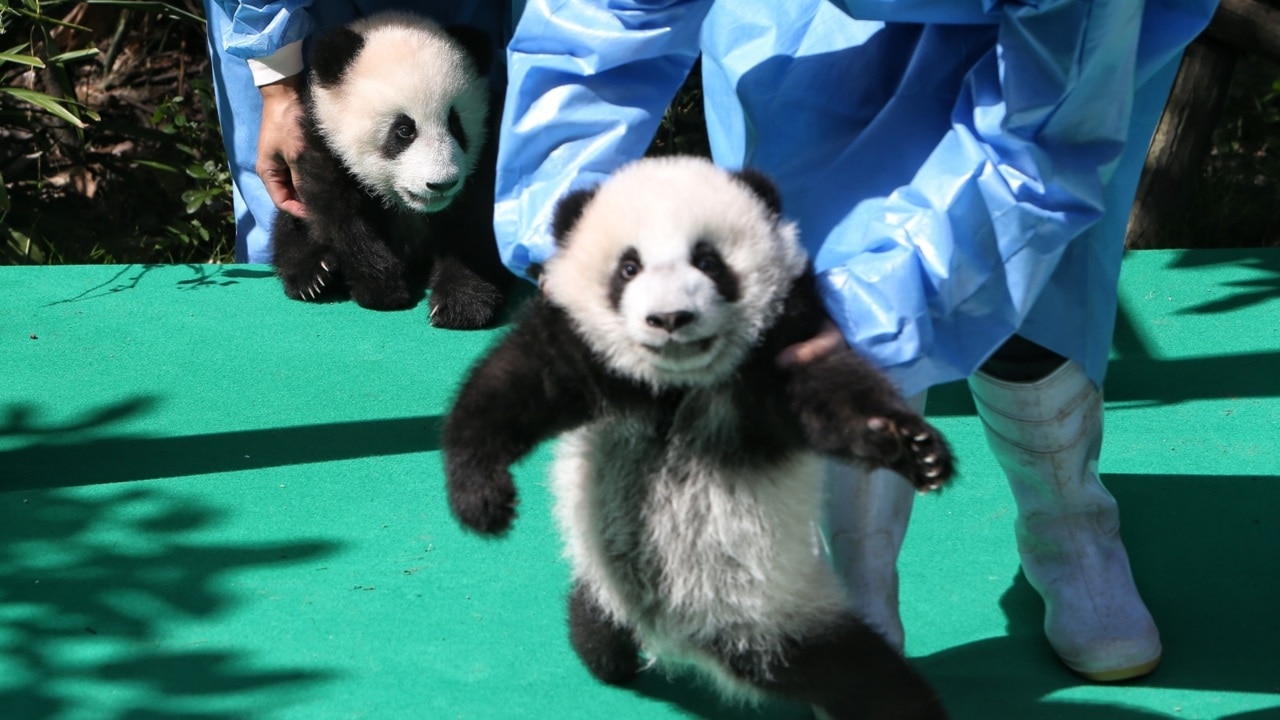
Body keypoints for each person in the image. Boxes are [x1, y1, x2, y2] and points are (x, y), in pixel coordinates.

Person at [493, 0, 1218, 682]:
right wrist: (566, 234)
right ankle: (853, 580)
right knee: (814, 229)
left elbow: (1039, 152)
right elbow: (601, 19)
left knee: (1040, 285)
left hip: (1063, 49)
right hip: (799, 40)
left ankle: (1069, 523)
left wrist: (848, 330)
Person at [202, 0, 523, 263]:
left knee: (485, 215)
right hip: (286, 12)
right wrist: (278, 86)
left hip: (465, 12)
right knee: (293, 193)